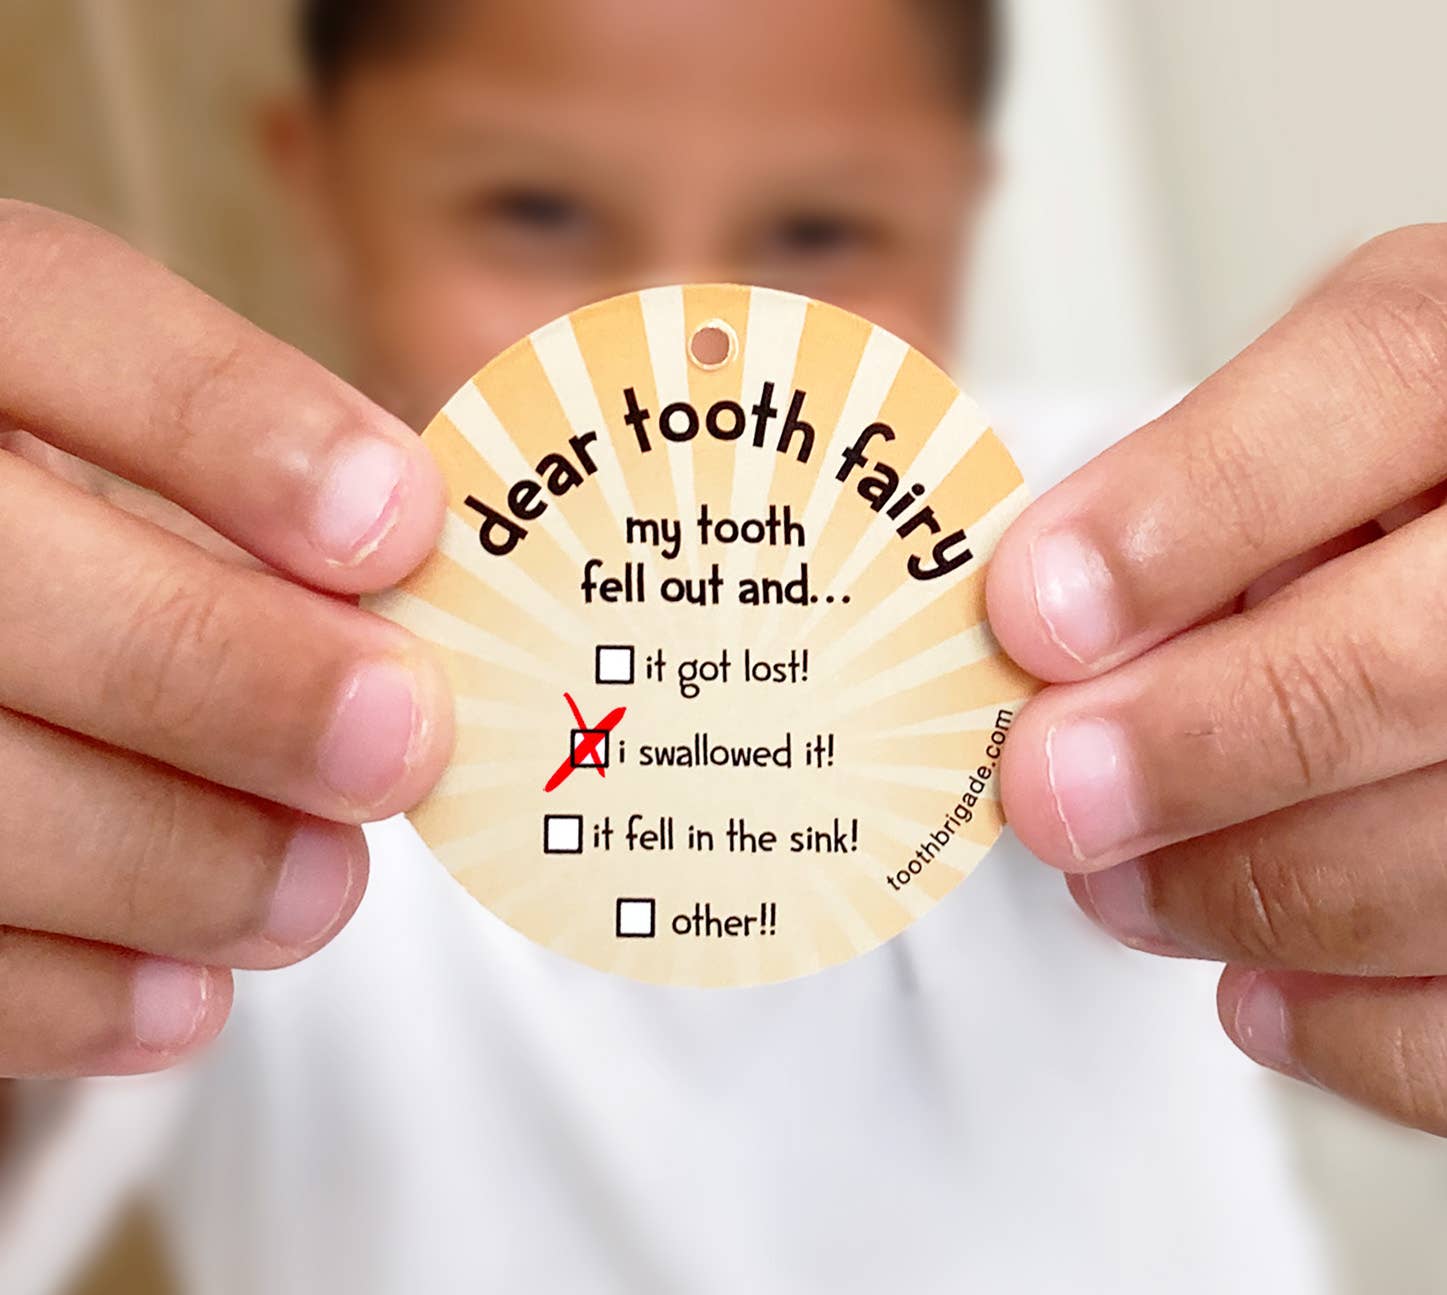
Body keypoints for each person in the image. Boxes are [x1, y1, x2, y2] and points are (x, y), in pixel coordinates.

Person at [0, 0, 1443, 1289]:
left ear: (963, 208)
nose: (681, 326)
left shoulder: (1131, 556)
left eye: (819, 231)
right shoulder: (185, 685)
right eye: (536, 209)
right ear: (317, 186)